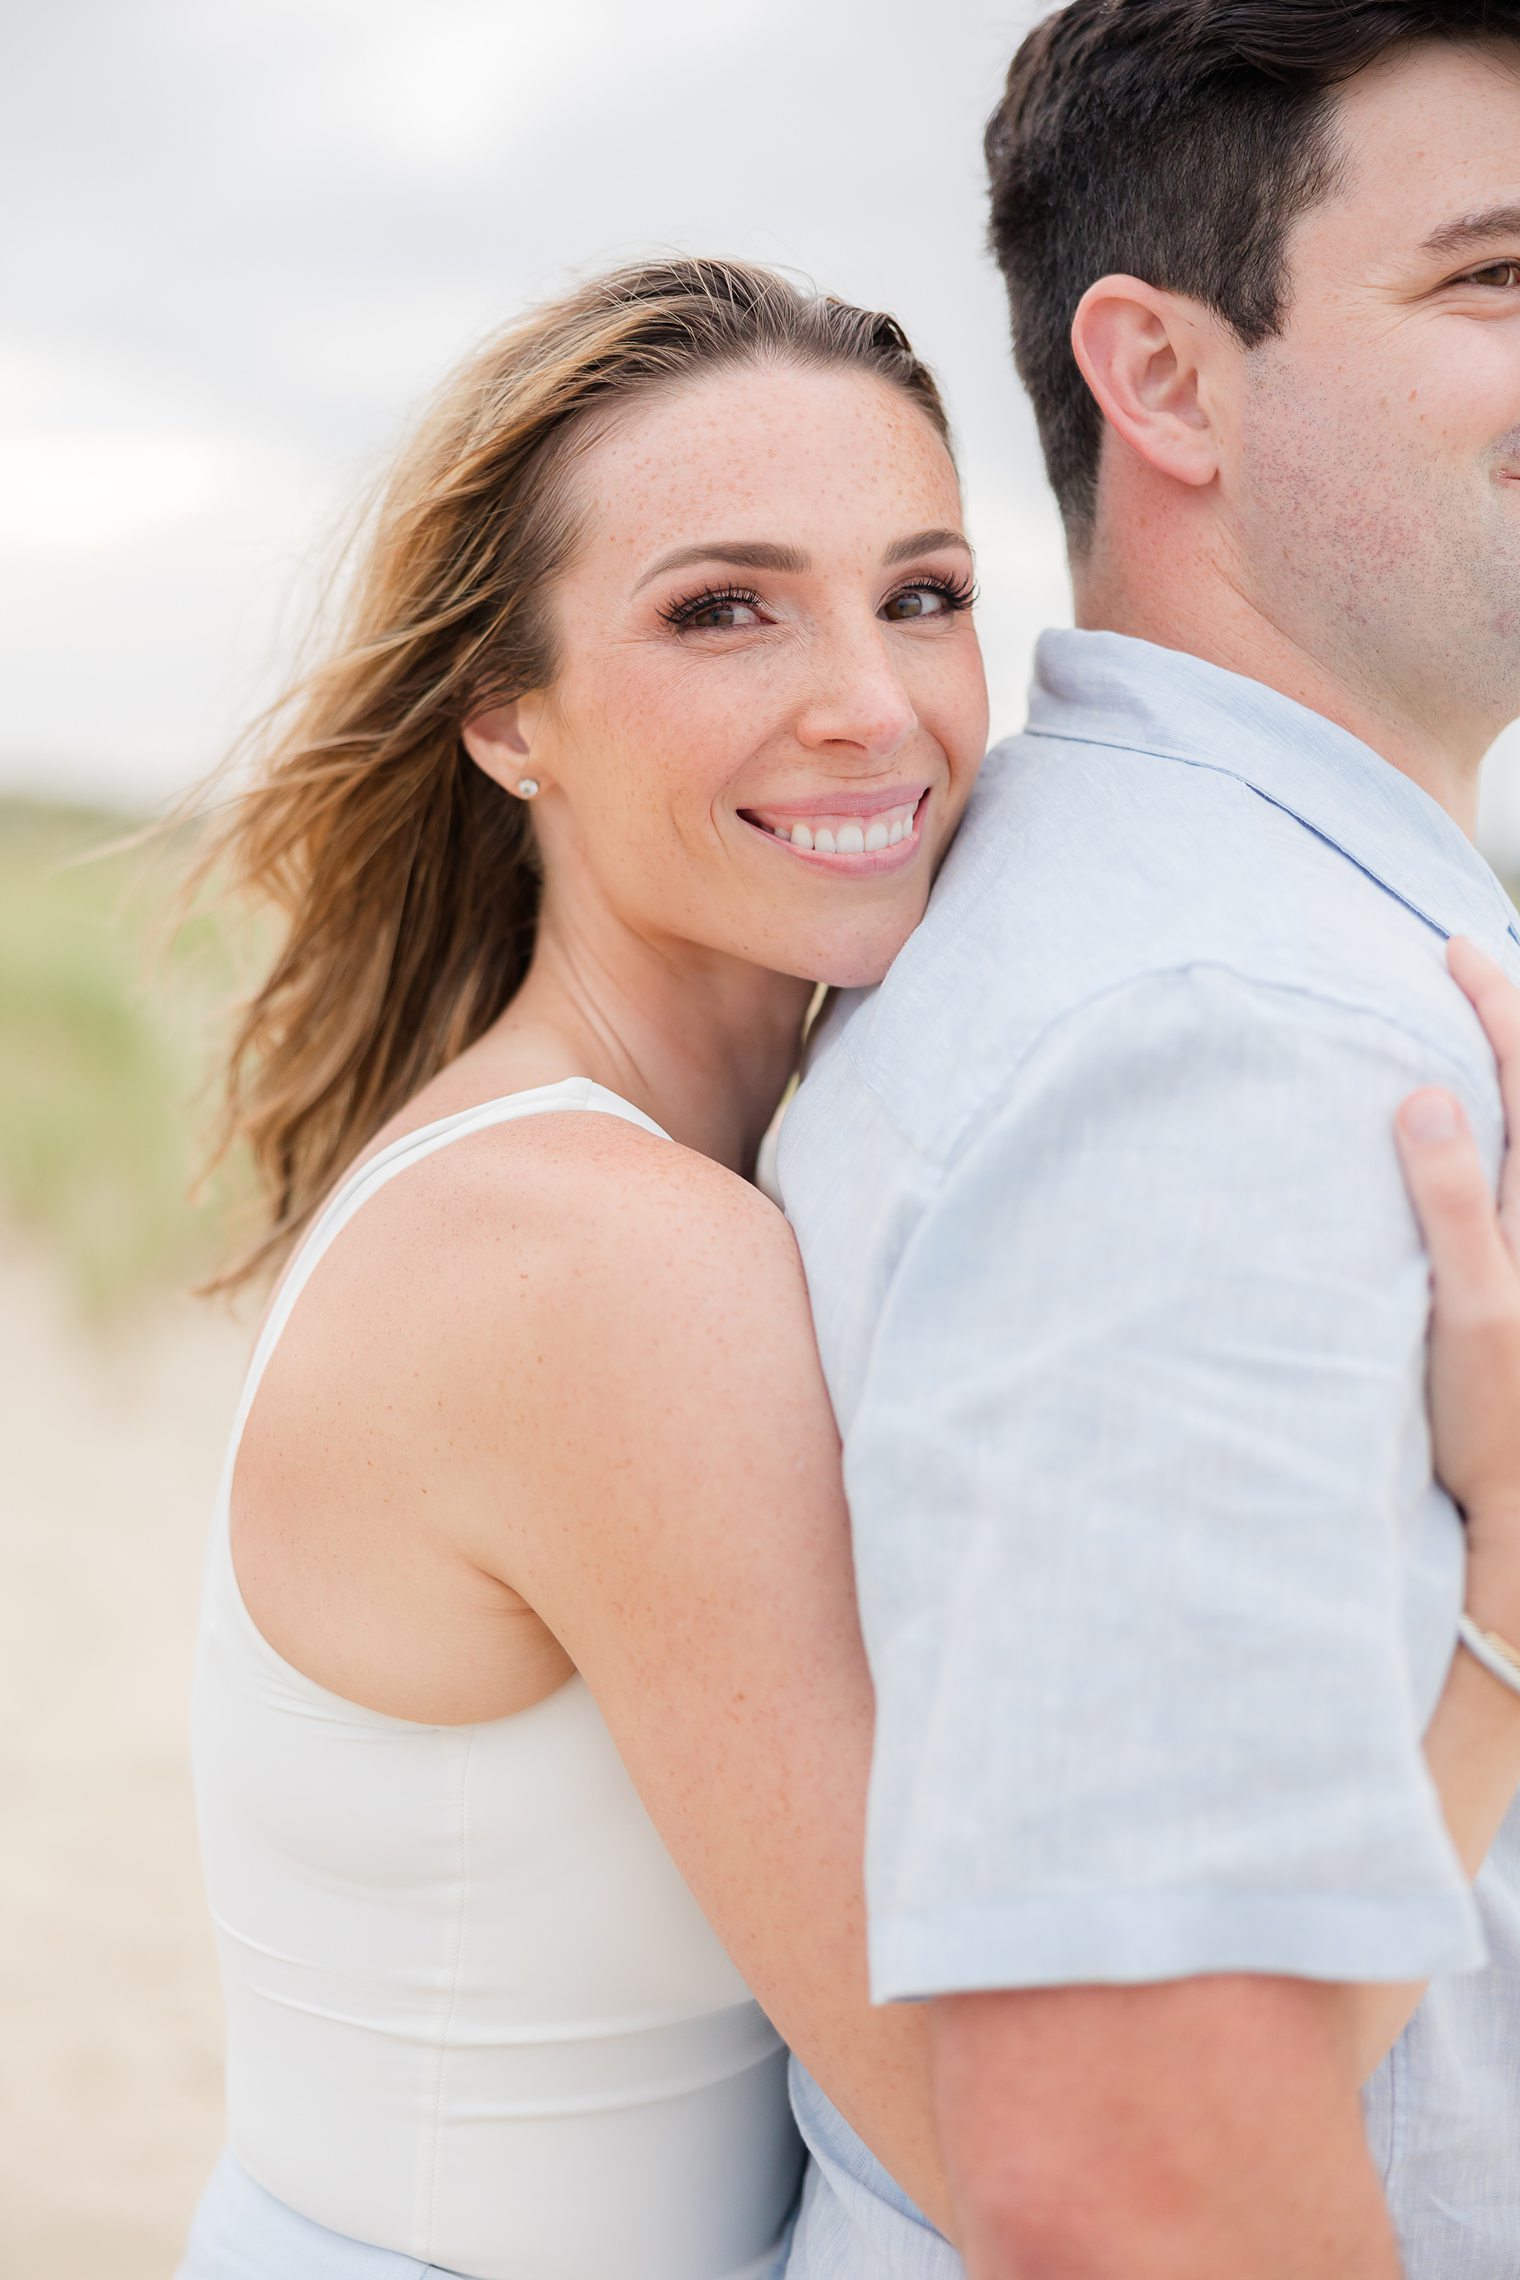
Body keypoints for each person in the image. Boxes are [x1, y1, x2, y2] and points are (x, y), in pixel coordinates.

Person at [172, 257, 1519, 2280]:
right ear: (505, 715)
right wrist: (1501, 1590)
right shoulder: (597, 1265)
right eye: (722, 609)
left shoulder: (679, 1158)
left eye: (921, 594)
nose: (870, 705)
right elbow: (1042, 2150)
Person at [773, 4, 1520, 2276]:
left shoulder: (1244, 939)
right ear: (1166, 377)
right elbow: (1132, 2173)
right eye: (1496, 278)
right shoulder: (1212, 1034)